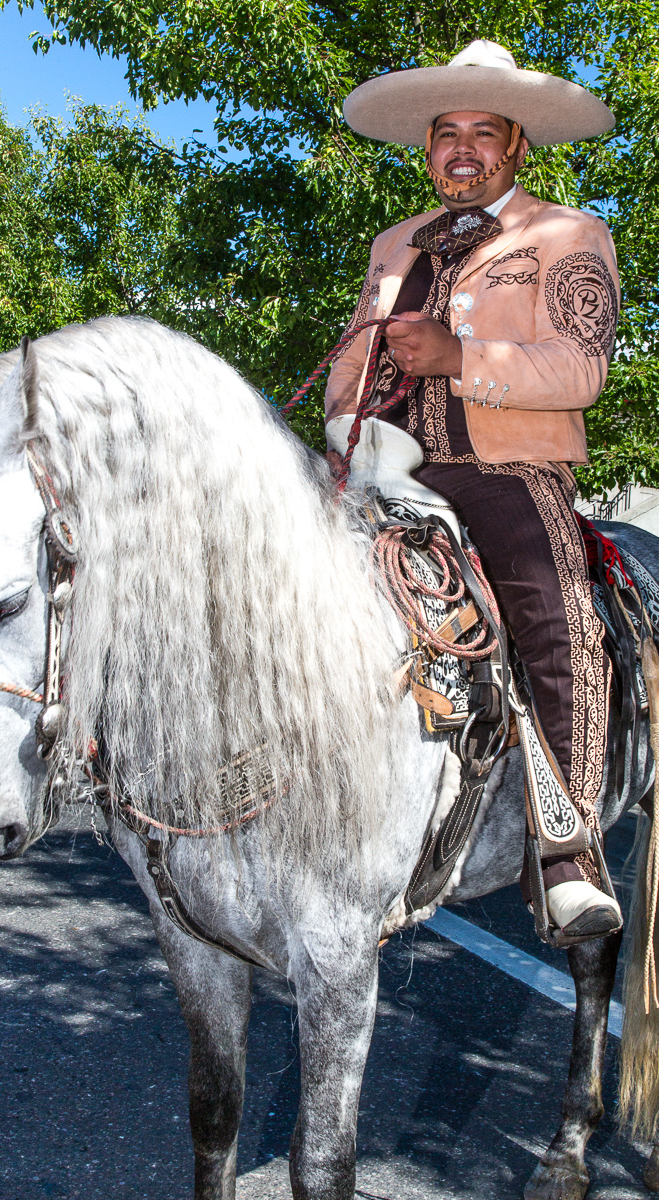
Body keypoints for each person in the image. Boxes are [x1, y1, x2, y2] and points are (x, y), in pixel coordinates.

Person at [325, 39, 622, 939]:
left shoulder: (567, 235)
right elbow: (349, 361)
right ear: (426, 149)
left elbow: (581, 367)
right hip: (383, 467)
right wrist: (345, 420)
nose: (460, 147)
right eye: (444, 132)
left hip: (505, 470)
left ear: (515, 146)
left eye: (481, 132)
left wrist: (460, 359)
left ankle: (566, 852)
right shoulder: (392, 243)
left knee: (554, 610)